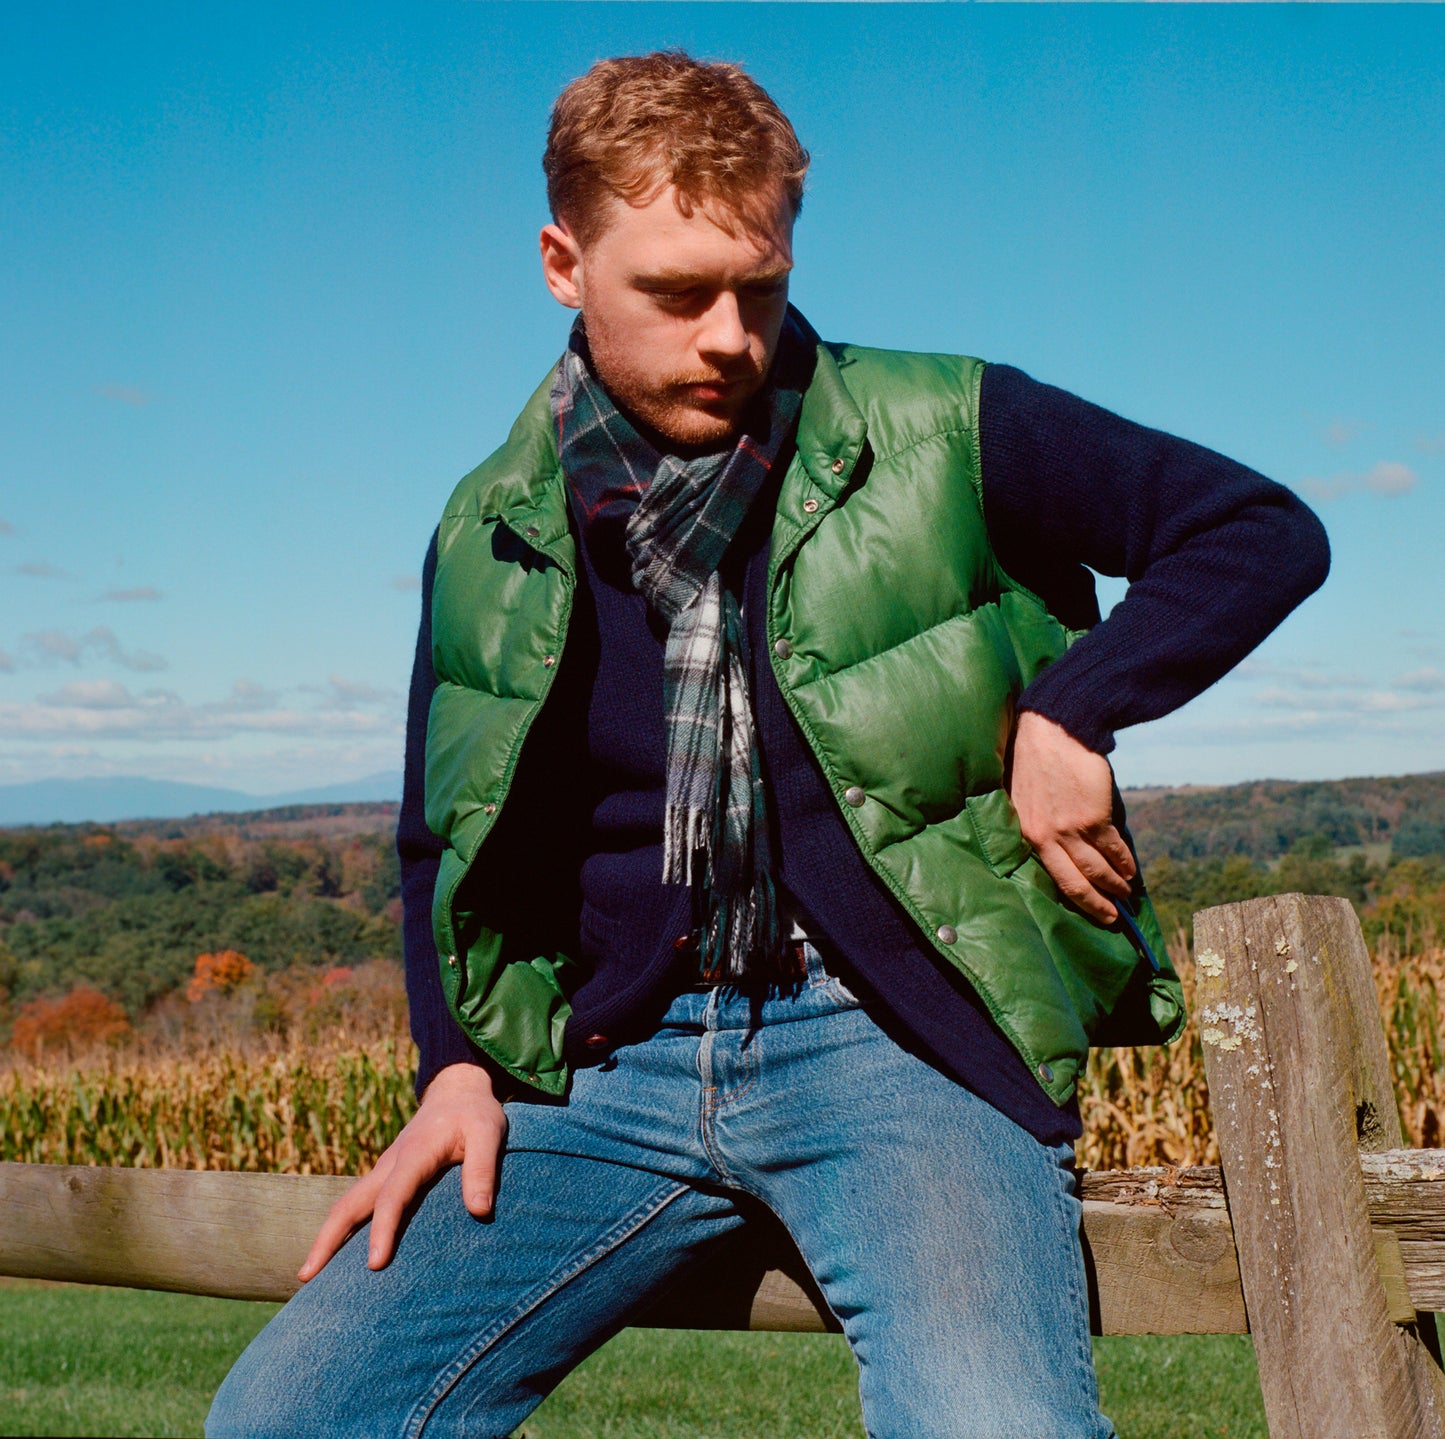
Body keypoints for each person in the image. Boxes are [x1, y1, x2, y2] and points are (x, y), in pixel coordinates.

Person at [208, 51, 1328, 1439]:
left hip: (899, 1048)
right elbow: (444, 829)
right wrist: (452, 1063)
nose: (729, 335)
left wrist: (1070, 707)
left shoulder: (940, 427)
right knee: (290, 1419)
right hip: (602, 1064)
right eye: (676, 294)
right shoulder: (488, 518)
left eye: (763, 286)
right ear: (564, 263)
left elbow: (1255, 531)